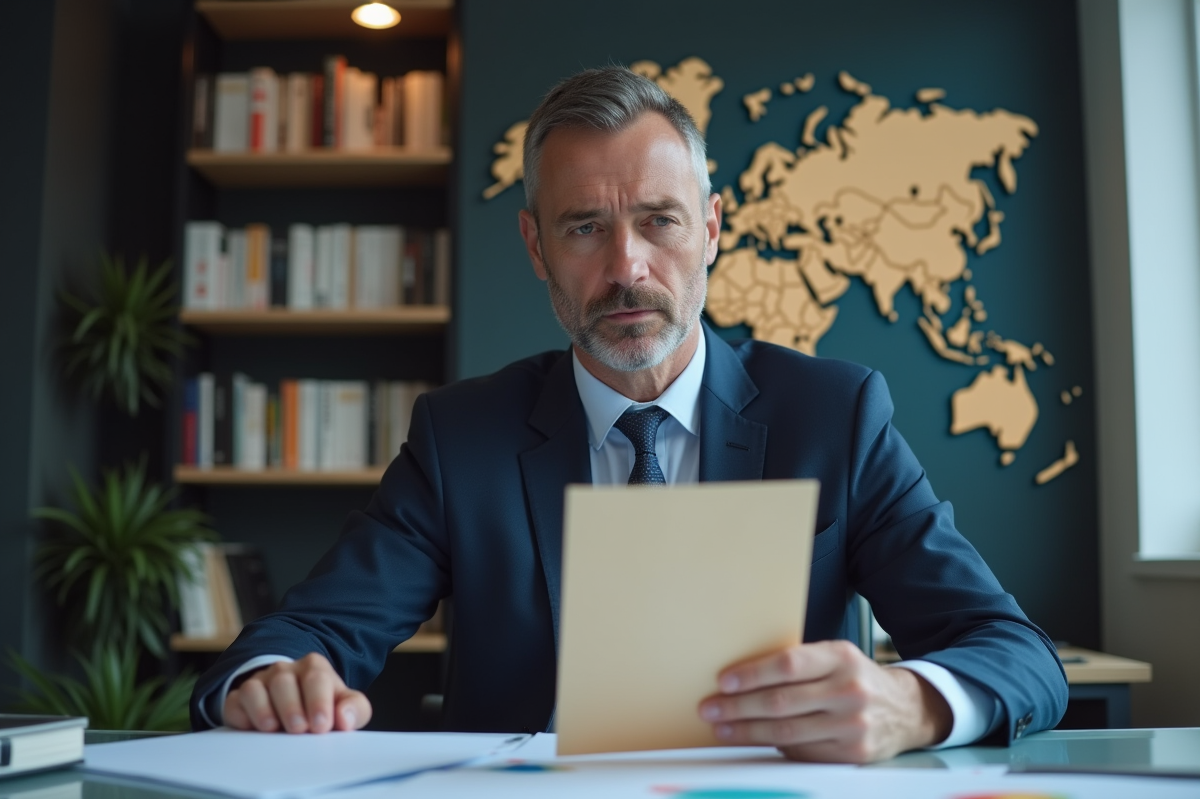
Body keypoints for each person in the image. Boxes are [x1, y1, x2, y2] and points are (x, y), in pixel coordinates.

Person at [191, 66, 1067, 763]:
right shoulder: (463, 439)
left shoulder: (834, 415)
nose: (628, 267)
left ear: (714, 229)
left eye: (660, 221)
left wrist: (910, 703)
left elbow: (1012, 650)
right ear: (536, 246)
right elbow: (309, 632)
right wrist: (273, 680)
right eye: (584, 229)